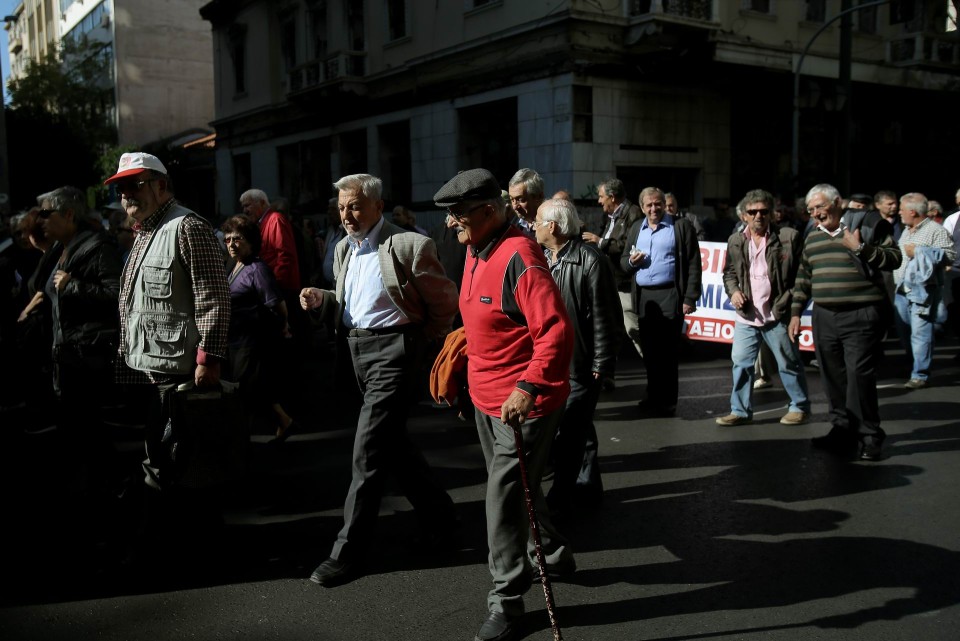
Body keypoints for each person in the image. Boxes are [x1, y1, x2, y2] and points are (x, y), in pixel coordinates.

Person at [433, 168, 574, 641]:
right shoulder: (476, 248)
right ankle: (551, 553)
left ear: (489, 212)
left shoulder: (521, 256)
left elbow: (555, 331)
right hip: (486, 400)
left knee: (503, 500)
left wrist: (527, 386)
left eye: (458, 215)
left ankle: (507, 601)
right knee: (519, 488)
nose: (452, 224)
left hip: (523, 406)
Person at [300, 173, 458, 587]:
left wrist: (421, 343)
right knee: (394, 447)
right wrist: (322, 300)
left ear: (377, 206)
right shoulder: (342, 250)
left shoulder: (408, 244)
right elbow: (351, 303)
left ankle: (346, 552)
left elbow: (445, 302)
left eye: (354, 206)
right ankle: (443, 519)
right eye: (341, 207)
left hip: (394, 354)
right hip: (354, 354)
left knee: (368, 452)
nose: (347, 215)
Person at [110, 152, 231, 490]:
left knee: (173, 463)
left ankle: (174, 533)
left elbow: (214, 298)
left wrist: (209, 358)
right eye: (121, 188)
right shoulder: (145, 231)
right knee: (163, 460)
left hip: (178, 374)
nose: (126, 195)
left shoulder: (188, 226)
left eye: (134, 185)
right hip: (149, 370)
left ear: (161, 185)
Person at [788, 184, 901, 461]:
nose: (815, 213)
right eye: (811, 209)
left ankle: (870, 435)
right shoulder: (812, 236)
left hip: (861, 314)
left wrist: (860, 247)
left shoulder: (867, 225)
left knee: (859, 377)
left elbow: (894, 258)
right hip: (824, 316)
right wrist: (795, 312)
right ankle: (842, 429)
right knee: (832, 377)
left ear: (838, 202)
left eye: (820, 207)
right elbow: (804, 275)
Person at [38, 187, 125, 514]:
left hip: (86, 353)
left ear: (69, 214)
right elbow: (40, 285)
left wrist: (71, 286)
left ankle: (110, 492)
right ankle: (97, 491)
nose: (41, 220)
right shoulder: (63, 247)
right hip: (68, 352)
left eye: (47, 213)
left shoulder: (97, 246)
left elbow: (116, 294)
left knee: (86, 428)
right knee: (78, 429)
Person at [534, 198, 618, 514]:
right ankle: (588, 489)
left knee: (571, 432)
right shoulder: (541, 259)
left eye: (538, 221)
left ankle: (561, 498)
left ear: (552, 227)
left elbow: (605, 315)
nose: (533, 226)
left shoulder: (590, 260)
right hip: (549, 364)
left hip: (579, 364)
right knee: (572, 429)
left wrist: (602, 363)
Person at [716, 189, 810, 426]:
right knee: (741, 364)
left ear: (772, 214)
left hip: (777, 314)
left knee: (788, 363)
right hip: (747, 316)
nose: (758, 216)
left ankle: (799, 406)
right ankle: (739, 411)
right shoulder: (736, 240)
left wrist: (790, 304)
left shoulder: (789, 237)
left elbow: (802, 276)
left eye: (763, 211)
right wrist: (734, 291)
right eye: (753, 212)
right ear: (744, 216)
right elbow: (729, 273)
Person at [621, 186, 702, 417]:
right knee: (650, 351)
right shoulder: (637, 228)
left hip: (670, 295)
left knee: (667, 353)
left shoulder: (680, 226)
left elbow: (694, 263)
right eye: (649, 205)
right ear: (643, 207)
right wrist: (633, 262)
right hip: (645, 298)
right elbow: (624, 262)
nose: (654, 208)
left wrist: (690, 297)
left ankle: (668, 401)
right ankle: (653, 395)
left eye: (658, 204)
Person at [220, 215, 299, 439]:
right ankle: (283, 421)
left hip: (253, 340)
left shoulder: (256, 268)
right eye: (227, 240)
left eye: (237, 239)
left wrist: (283, 326)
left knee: (245, 390)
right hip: (235, 339)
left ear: (251, 240)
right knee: (253, 388)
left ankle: (241, 441)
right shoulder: (234, 265)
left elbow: (277, 304)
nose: (232, 245)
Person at [892, 193, 956, 389]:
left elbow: (950, 255)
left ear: (912, 211)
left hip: (924, 290)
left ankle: (920, 374)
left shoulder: (936, 230)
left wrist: (919, 251)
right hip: (901, 289)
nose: (899, 212)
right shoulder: (906, 231)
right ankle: (914, 365)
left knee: (920, 332)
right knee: (904, 330)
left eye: (902, 209)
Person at [583, 178, 642, 362]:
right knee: (609, 329)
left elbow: (628, 246)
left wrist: (600, 242)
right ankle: (608, 373)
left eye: (601, 197)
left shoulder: (633, 214)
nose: (599, 201)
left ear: (612, 197)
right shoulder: (609, 216)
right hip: (609, 280)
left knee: (633, 328)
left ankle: (654, 371)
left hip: (623, 282)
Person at [506, 168, 544, 238]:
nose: (514, 206)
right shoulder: (511, 226)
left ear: (539, 197)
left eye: (520, 200)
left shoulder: (551, 227)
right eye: (512, 199)